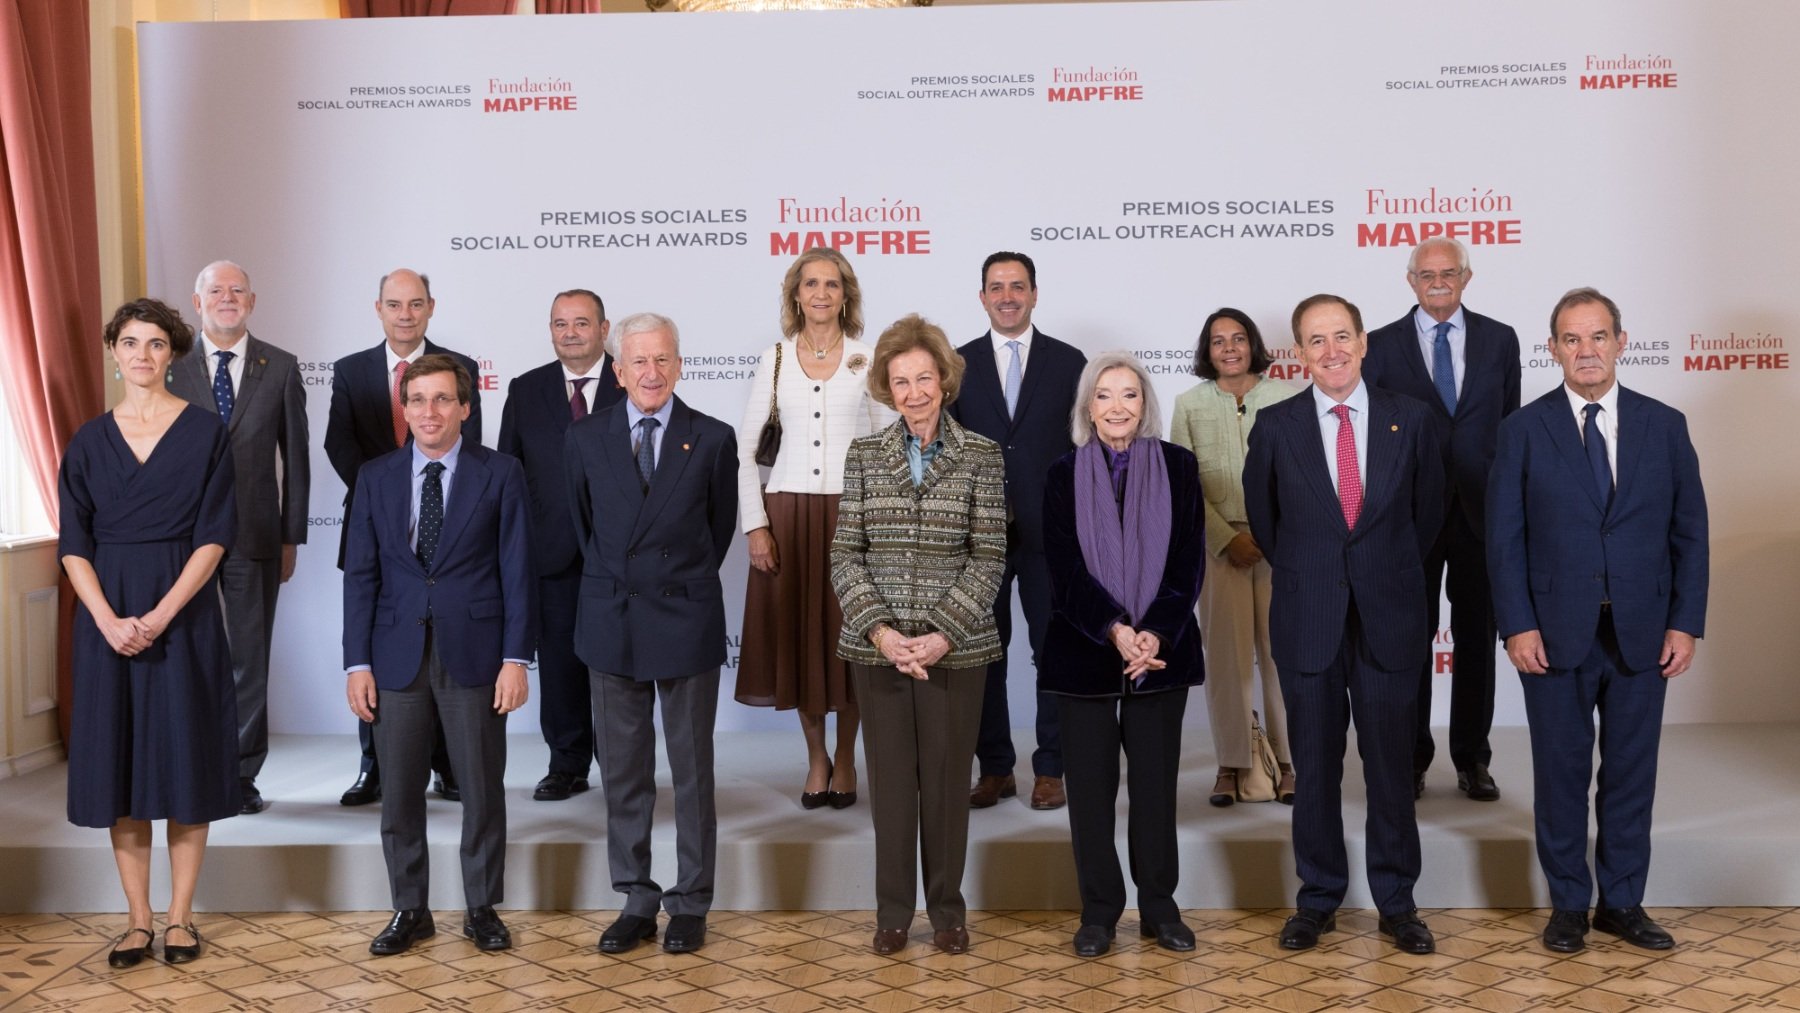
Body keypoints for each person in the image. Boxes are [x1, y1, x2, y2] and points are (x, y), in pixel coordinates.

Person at [1488, 287, 1707, 954]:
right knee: (1560, 772)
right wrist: (1517, 624)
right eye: (1572, 338)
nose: (1586, 350)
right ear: (1552, 348)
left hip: (1646, 631)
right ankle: (1568, 906)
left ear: (1621, 340)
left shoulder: (1665, 424)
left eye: (1598, 336)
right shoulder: (1523, 430)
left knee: (1631, 773)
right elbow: (1504, 538)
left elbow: (1690, 533)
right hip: (1553, 633)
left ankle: (1622, 902)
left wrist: (1686, 622)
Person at [1244, 294, 1445, 955]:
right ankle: (1318, 898)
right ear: (1298, 354)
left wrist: (1379, 573)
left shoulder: (1411, 419)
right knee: (1317, 769)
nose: (1330, 350)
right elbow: (1269, 525)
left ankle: (1398, 902)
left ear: (1363, 342)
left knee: (1390, 768)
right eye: (1315, 340)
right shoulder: (1275, 428)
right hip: (1309, 618)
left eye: (1341, 336)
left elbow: (1429, 516)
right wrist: (1320, 571)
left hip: (1391, 617)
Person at [59, 298, 239, 967]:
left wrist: (161, 614)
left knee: (186, 760)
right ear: (113, 352)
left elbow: (216, 533)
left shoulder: (205, 432)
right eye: (130, 342)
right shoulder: (86, 440)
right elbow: (74, 543)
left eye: (156, 343)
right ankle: (137, 919)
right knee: (119, 765)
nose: (142, 354)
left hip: (182, 614)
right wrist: (106, 618)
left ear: (174, 353)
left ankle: (181, 917)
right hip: (105, 618)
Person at [341, 354, 532, 956]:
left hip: (476, 653)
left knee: (481, 788)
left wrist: (515, 658)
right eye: (418, 399)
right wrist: (357, 663)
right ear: (404, 407)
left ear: (466, 408)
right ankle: (410, 909)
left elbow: (517, 570)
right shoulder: (374, 477)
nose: (430, 412)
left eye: (443, 399)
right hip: (394, 655)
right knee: (398, 793)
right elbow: (361, 578)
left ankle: (481, 908)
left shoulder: (500, 473)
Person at [831, 314, 1007, 956]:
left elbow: (989, 556)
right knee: (893, 792)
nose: (913, 392)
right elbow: (845, 553)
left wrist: (939, 636)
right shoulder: (864, 456)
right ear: (886, 387)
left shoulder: (981, 455)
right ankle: (893, 913)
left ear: (944, 380)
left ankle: (948, 912)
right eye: (900, 381)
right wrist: (880, 633)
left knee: (944, 786)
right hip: (877, 651)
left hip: (955, 654)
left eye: (923, 378)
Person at [565, 313, 738, 956]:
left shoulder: (713, 439)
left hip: (685, 616)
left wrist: (675, 582)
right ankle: (637, 897)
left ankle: (690, 901)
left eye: (662, 359)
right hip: (611, 620)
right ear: (617, 371)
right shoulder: (584, 439)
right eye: (637, 362)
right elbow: (587, 532)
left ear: (680, 363)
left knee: (692, 770)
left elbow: (717, 532)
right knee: (626, 774)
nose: (651, 373)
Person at [1041, 352, 1205, 957]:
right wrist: (1115, 630)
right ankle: (1100, 913)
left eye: (1129, 395)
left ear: (1145, 404)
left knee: (1157, 790)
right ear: (1089, 407)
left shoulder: (1179, 468)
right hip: (1085, 651)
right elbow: (1064, 571)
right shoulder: (1062, 473)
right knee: (1089, 792)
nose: (1117, 406)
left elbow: (1188, 562)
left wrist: (1154, 634)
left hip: (1160, 656)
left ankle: (1160, 909)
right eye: (1105, 395)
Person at [1365, 236, 1521, 802]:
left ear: (1466, 277)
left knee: (1478, 637)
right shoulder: (1378, 346)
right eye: (1426, 274)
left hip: (1483, 513)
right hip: (1409, 517)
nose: (1437, 282)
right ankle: (1410, 759)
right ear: (1410, 281)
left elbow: (1509, 431)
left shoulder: (1500, 340)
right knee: (1409, 640)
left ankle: (1472, 759)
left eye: (1448, 272)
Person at [735, 248, 887, 808]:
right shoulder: (774, 358)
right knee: (799, 641)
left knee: (851, 641)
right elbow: (745, 451)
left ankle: (847, 757)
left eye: (831, 283)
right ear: (795, 295)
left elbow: (887, 449)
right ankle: (816, 757)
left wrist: (880, 526)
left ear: (845, 294)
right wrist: (756, 526)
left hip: (854, 520)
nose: (820, 293)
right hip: (789, 519)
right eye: (809, 284)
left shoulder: (870, 358)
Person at [326, 268, 482, 807]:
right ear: (379, 309)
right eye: (395, 304)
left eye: (415, 303)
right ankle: (374, 766)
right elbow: (338, 444)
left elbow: (473, 446)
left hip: (452, 539)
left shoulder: (458, 370)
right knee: (381, 651)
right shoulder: (350, 371)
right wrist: (388, 499)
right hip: (377, 533)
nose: (405, 313)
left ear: (431, 307)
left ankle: (447, 765)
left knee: (443, 650)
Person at [167, 261, 309, 815]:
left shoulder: (281, 366)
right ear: (197, 302)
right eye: (216, 291)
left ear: (252, 300)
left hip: (255, 535)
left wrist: (290, 536)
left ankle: (240, 774)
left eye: (237, 291)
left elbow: (294, 458)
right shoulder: (171, 365)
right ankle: (192, 762)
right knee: (189, 653)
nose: (227, 298)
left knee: (249, 658)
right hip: (181, 537)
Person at [950, 251, 1086, 812]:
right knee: (985, 652)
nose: (1007, 295)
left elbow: (1087, 444)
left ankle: (1051, 768)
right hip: (978, 536)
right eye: (996, 287)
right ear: (981, 296)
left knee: (1054, 651)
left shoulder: (1070, 361)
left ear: (1035, 294)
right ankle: (996, 768)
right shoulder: (956, 363)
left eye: (1018, 286)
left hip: (1052, 532)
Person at [496, 288, 624, 802]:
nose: (570, 333)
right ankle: (566, 764)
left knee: (619, 669)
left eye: (581, 323)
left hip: (620, 556)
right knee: (560, 665)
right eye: (560, 324)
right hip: (549, 556)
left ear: (603, 327)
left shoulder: (631, 378)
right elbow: (508, 471)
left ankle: (623, 768)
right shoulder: (526, 390)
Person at [1170, 308, 1298, 808]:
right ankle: (1231, 763)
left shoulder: (1287, 398)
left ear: (1253, 345)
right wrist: (1226, 537)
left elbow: (1297, 475)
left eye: (1238, 338)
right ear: (1208, 350)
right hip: (1218, 547)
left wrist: (1267, 533)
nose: (1229, 348)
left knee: (1280, 657)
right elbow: (1183, 484)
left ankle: (1286, 762)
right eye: (1218, 340)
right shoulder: (1189, 403)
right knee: (1226, 661)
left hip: (1277, 546)